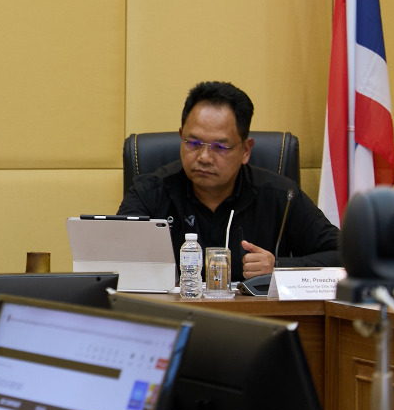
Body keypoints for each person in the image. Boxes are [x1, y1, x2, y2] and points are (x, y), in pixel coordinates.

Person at [118, 81, 339, 282]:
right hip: (170, 312)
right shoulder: (149, 193)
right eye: (193, 143)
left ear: (246, 150)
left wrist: (279, 267)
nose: (204, 157)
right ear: (180, 137)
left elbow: (342, 254)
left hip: (256, 313)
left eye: (220, 147)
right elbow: (112, 258)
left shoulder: (280, 196)